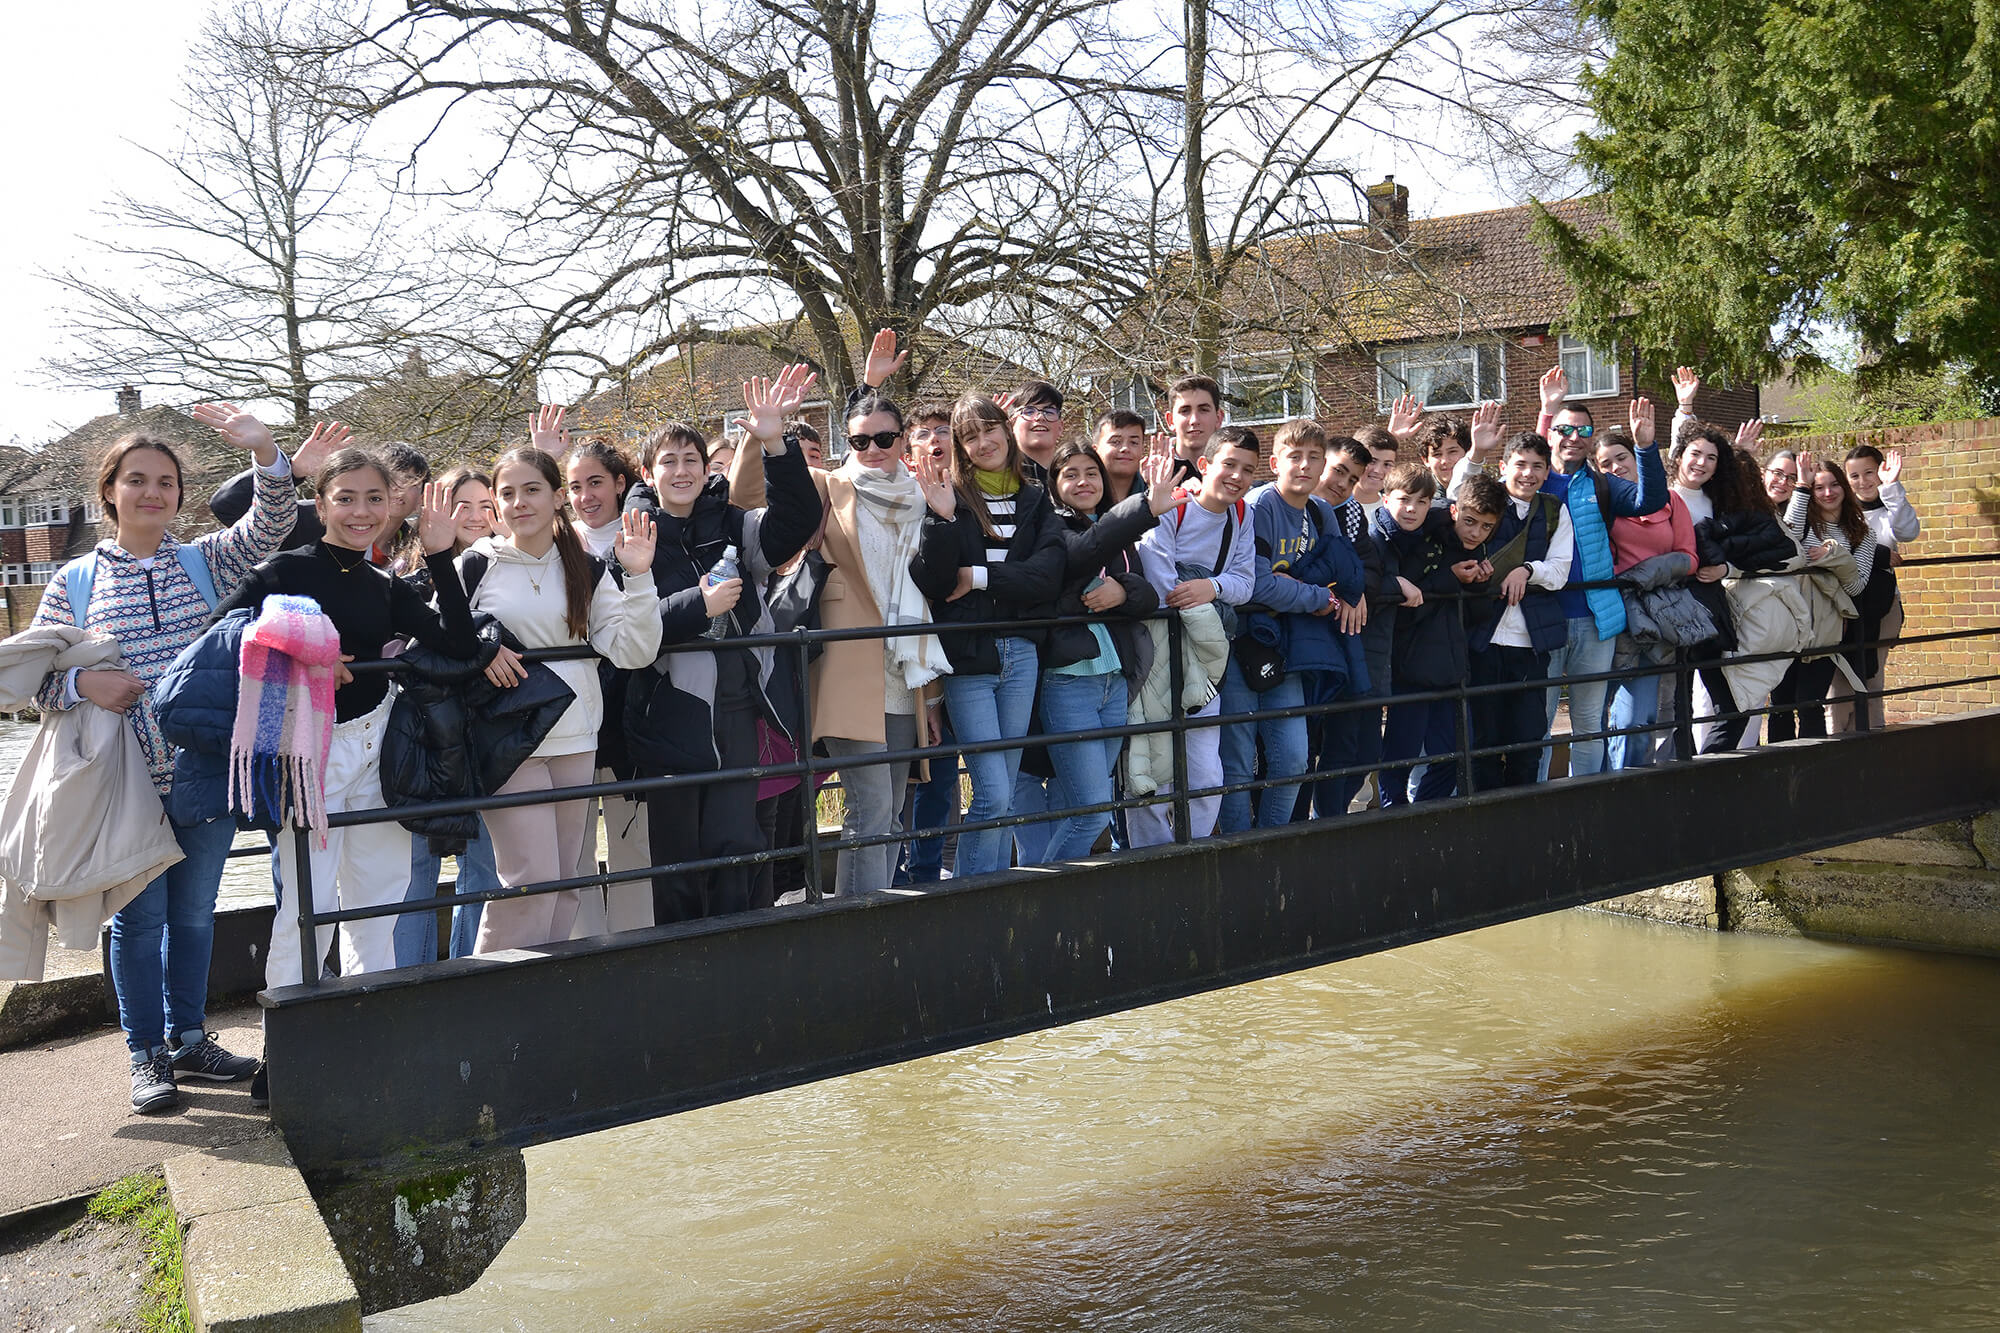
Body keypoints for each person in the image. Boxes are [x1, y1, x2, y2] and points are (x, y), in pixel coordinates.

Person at [32, 407, 298, 1112]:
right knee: (138, 921)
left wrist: (266, 452)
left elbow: (273, 523)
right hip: (123, 784)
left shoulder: (204, 561)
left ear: (180, 494)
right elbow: (33, 680)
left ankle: (190, 1039)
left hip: (204, 773)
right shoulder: (74, 583)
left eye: (166, 482)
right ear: (109, 490)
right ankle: (145, 1053)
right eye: (137, 480)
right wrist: (84, 683)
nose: (152, 492)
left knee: (196, 915)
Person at [211, 449, 476, 991]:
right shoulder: (285, 570)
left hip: (377, 748)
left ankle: (367, 1014)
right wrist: (307, 650)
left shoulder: (385, 583)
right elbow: (222, 632)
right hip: (309, 750)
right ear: (321, 504)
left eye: (374, 498)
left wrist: (439, 555)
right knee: (307, 902)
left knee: (381, 897)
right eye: (346, 498)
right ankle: (292, 1023)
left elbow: (460, 644)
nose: (361, 511)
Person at [623, 369, 823, 922]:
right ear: (648, 474)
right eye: (668, 461)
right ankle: (682, 963)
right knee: (679, 866)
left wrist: (776, 443)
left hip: (738, 714)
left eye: (691, 459)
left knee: (738, 851)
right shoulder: (634, 538)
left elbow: (798, 521)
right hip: (671, 719)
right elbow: (632, 633)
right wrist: (699, 605)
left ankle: (738, 959)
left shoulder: (733, 524)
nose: (682, 471)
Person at [735, 390, 950, 895]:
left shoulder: (923, 496)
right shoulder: (826, 486)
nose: (872, 449)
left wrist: (933, 698)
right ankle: (861, 924)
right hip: (847, 667)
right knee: (870, 807)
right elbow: (744, 496)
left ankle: (873, 914)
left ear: (903, 439)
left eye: (884, 438)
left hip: (905, 671)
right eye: (859, 440)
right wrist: (767, 438)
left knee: (891, 812)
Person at [464, 448, 660, 951]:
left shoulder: (586, 567)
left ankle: (547, 983)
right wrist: (482, 648)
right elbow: (439, 637)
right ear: (495, 503)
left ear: (556, 497)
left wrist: (639, 577)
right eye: (508, 493)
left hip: (576, 737)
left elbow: (633, 651)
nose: (519, 503)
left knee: (567, 881)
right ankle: (491, 985)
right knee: (529, 879)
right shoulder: (476, 565)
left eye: (531, 490)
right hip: (507, 741)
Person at [910, 394, 1065, 878]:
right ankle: (971, 895)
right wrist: (941, 519)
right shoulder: (948, 495)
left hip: (1021, 652)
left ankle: (989, 892)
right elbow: (933, 583)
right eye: (969, 436)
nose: (983, 443)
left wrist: (979, 577)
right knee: (994, 793)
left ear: (1006, 429)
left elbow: (1047, 576)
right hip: (969, 657)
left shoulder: (1036, 497)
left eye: (989, 429)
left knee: (1004, 792)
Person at [1021, 438, 1174, 861]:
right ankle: (1042, 890)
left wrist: (1121, 592)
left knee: (1082, 805)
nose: (1083, 481)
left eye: (1092, 473)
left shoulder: (1115, 533)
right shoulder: (1051, 527)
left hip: (1114, 682)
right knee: (1092, 813)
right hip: (1070, 682)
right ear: (1054, 484)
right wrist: (1143, 509)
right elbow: (1078, 559)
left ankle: (1059, 893)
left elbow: (1147, 596)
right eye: (1070, 474)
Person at [1219, 420, 1364, 831]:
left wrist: (1349, 593)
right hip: (1241, 644)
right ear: (1275, 463)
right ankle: (1238, 848)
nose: (1304, 465)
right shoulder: (1260, 505)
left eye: (1314, 458)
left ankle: (1272, 842)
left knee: (1293, 758)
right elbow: (1258, 584)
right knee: (1237, 761)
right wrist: (1317, 597)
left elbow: (1343, 569)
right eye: (1295, 456)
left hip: (1289, 647)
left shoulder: (1320, 511)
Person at [1526, 372, 1669, 778]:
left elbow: (1650, 500)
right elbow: (1513, 472)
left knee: (1589, 723)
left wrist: (1645, 447)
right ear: (1552, 433)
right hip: (1542, 618)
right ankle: (1536, 798)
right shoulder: (1532, 481)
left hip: (1594, 619)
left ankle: (1585, 797)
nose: (1574, 437)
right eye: (1564, 429)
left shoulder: (1602, 485)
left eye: (1583, 431)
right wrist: (1546, 410)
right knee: (1539, 721)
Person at [1127, 425, 1258, 845]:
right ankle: (1150, 856)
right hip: (1158, 647)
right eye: (1229, 465)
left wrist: (1210, 587)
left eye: (1248, 470)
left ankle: (1194, 848)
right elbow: (1158, 575)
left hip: (1204, 653)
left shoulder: (1242, 515)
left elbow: (1245, 582)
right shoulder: (1176, 506)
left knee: (1205, 769)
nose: (1237, 476)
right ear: (1205, 464)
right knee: (1152, 760)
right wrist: (1198, 598)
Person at [398, 466, 505, 966]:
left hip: (487, 735)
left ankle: (470, 972)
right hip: (426, 737)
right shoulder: (412, 579)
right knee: (415, 867)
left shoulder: (508, 565)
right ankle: (409, 980)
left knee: (484, 864)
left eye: (487, 505)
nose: (477, 516)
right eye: (464, 504)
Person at [558, 435, 656, 935]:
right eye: (575, 486)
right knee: (571, 843)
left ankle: (636, 945)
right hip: (570, 710)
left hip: (628, 708)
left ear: (620, 483)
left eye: (595, 482)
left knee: (630, 837)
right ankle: (584, 948)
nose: (585, 496)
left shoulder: (644, 532)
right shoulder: (556, 542)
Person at [1372, 465, 1497, 805]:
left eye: (1421, 502)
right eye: (1405, 500)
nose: (1412, 509)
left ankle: (1426, 814)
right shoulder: (1400, 540)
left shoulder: (1465, 548)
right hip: (1410, 667)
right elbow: (1405, 608)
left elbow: (1473, 616)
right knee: (1400, 756)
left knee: (1454, 755)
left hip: (1449, 668)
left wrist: (1477, 586)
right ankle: (1396, 817)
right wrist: (1450, 579)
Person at [1456, 432, 1572, 790]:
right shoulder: (1485, 501)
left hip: (1529, 643)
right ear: (1504, 466)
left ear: (1547, 471)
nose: (1528, 474)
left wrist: (1528, 570)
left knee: (1527, 741)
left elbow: (1560, 570)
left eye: (1538, 466)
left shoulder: (1553, 510)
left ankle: (1522, 811)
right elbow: (1455, 498)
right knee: (1482, 740)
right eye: (1520, 464)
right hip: (1482, 639)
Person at [1596, 431, 1698, 769]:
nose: (1616, 467)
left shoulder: (1670, 500)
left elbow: (1690, 558)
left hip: (1652, 621)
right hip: (1607, 615)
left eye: (1621, 457)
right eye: (1605, 464)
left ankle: (1629, 784)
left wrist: (1648, 572)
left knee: (1638, 721)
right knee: (1591, 717)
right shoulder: (1598, 502)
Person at [1301, 434, 1387, 818]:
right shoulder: (1280, 504)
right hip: (1297, 651)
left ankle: (1329, 823)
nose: (1342, 483)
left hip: (1342, 652)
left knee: (1359, 750)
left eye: (1352, 479)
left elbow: (1371, 570)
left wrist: (1356, 589)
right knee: (1298, 752)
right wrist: (1342, 589)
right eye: (1338, 471)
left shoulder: (1351, 517)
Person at [1768, 451, 1877, 741]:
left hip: (1826, 629)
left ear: (1844, 487)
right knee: (1780, 704)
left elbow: (1856, 587)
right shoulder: (1802, 522)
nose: (1828, 493)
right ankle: (1777, 763)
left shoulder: (1863, 534)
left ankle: (1810, 765)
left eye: (1834, 484)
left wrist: (1835, 557)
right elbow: (1787, 539)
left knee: (1810, 704)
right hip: (1788, 623)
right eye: (1819, 487)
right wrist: (1802, 487)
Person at [1835, 444, 1920, 729]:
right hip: (1842, 606)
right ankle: (1837, 742)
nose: (1863, 481)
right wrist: (1879, 555)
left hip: (1882, 605)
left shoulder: (1891, 504)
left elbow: (1907, 532)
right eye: (1854, 476)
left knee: (1873, 679)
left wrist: (1891, 487)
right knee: (1839, 683)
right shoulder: (1837, 510)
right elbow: (1834, 548)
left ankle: (1873, 740)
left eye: (1869, 473)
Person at [1164, 374, 1224, 486]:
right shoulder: (1152, 475)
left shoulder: (1233, 473)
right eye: (1185, 411)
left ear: (1218, 418)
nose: (1194, 420)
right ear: (1170, 420)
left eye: (1203, 410)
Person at [1007, 380, 1067, 487]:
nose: (1040, 417)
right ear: (1011, 425)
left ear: (1060, 427)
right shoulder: (998, 475)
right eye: (1029, 411)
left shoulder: (1072, 477)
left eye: (1048, 411)